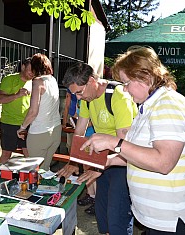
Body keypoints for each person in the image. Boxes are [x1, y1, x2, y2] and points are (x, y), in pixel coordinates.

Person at [81, 46, 185, 234]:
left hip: (178, 219)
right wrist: (108, 162)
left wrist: (114, 143)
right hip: (162, 219)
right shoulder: (148, 106)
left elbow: (163, 162)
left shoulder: (168, 104)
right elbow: (139, 153)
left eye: (126, 83)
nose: (125, 89)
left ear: (145, 77)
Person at [57, 62, 137, 235]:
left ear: (92, 81)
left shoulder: (117, 96)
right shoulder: (88, 98)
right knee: (103, 213)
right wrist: (74, 162)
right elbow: (79, 131)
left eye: (79, 92)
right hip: (102, 160)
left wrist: (101, 166)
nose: (78, 98)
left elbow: (123, 143)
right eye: (74, 94)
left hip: (123, 161)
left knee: (118, 215)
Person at [16, 53, 61, 171]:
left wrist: (22, 128)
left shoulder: (38, 82)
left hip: (40, 133)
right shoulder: (53, 80)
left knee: (34, 172)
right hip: (56, 131)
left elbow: (33, 111)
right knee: (45, 169)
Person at [0, 58, 33, 163]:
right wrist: (17, 95)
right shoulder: (9, 79)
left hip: (27, 124)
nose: (33, 73)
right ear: (23, 67)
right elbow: (0, 99)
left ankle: (32, 178)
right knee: (6, 154)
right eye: (31, 69)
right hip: (9, 123)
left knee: (29, 154)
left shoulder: (35, 82)